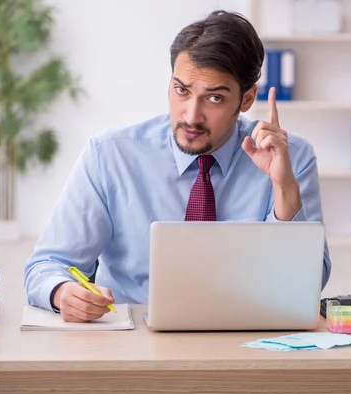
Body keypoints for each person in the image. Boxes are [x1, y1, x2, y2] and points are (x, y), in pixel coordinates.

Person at [24, 10, 332, 322]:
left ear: (247, 99)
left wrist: (284, 188)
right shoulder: (110, 155)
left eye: (214, 99)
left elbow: (307, 285)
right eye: (181, 90)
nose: (191, 116)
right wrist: (62, 292)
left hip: (247, 337)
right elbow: (46, 264)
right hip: (134, 341)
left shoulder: (290, 157)